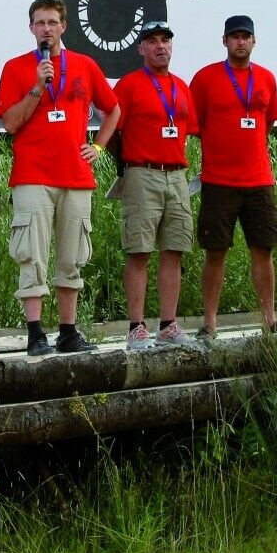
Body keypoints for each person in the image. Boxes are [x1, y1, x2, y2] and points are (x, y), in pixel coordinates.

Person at [0, 0, 122, 355]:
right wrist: (37, 87)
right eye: (40, 23)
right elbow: (10, 123)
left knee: (72, 257)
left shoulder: (85, 65)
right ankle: (36, 334)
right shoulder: (17, 67)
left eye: (52, 22)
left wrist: (97, 147)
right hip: (32, 175)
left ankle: (68, 332)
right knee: (31, 255)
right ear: (31, 28)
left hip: (75, 174)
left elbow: (113, 110)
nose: (46, 29)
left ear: (64, 26)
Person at [190, 15, 277, 340]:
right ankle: (209, 324)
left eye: (245, 36)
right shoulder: (205, 78)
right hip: (219, 181)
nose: (240, 41)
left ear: (254, 41)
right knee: (215, 252)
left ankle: (270, 320)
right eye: (234, 36)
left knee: (263, 249)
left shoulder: (266, 78)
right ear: (224, 41)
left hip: (259, 181)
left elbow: (269, 122)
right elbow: (194, 124)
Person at [111, 20, 195, 350]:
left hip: (176, 174)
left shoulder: (181, 86)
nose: (161, 46)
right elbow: (113, 131)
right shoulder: (129, 85)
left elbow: (190, 130)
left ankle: (168, 325)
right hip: (141, 172)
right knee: (139, 250)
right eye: (153, 41)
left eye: (166, 40)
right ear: (141, 48)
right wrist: (131, 165)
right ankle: (136, 327)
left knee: (175, 249)